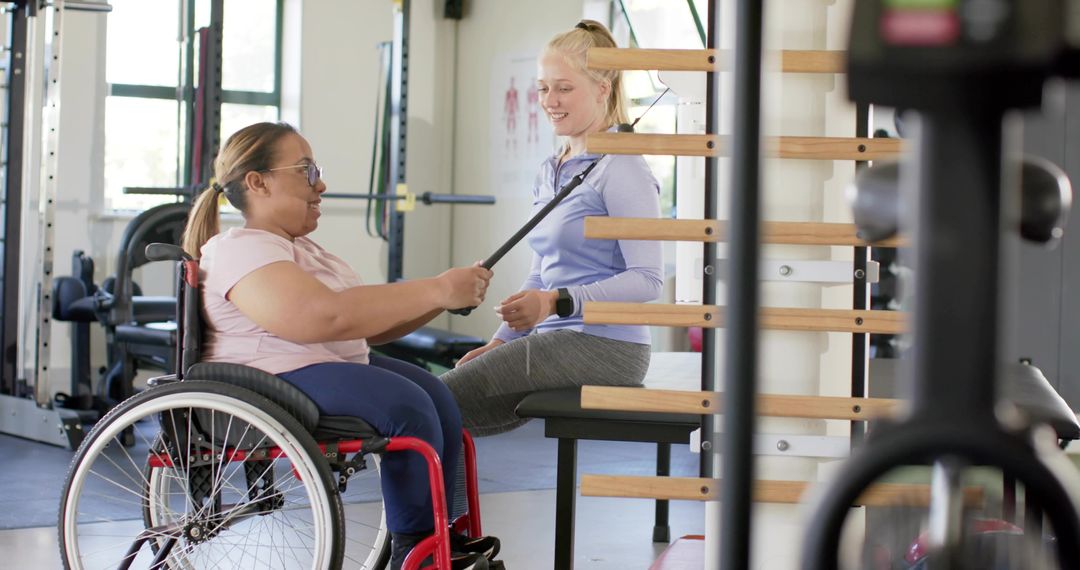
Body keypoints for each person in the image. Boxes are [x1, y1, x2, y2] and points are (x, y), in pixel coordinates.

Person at [181, 122, 497, 570]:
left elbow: (362, 326)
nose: (320, 184)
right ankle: (417, 551)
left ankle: (444, 536)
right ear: (258, 182)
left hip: (313, 366)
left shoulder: (303, 250)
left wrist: (445, 297)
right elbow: (322, 317)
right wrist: (437, 289)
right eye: (306, 171)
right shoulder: (240, 249)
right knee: (405, 405)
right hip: (267, 377)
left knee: (436, 394)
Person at [442, 20, 663, 436]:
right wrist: (502, 340)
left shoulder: (622, 168)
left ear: (603, 87)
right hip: (556, 338)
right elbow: (542, 270)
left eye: (563, 87)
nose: (549, 100)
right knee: (435, 414)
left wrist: (556, 302)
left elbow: (648, 280)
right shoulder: (553, 168)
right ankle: (442, 505)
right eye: (543, 88)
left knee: (431, 407)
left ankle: (432, 506)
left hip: (607, 347)